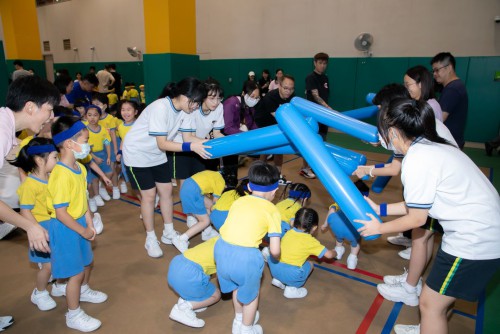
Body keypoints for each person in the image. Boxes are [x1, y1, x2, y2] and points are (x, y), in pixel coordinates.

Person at [355, 98, 500, 334]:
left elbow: (417, 219)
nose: (380, 138)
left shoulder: (417, 160)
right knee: (441, 300)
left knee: (429, 304)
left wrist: (378, 228)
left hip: (475, 240)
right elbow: (418, 205)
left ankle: (431, 325)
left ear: (392, 132)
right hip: (484, 230)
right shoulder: (430, 145)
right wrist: (379, 210)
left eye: (381, 131)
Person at [122, 77, 210, 258]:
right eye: (195, 102)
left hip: (156, 155)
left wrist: (211, 143)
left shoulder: (186, 111)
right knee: (149, 196)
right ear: (184, 96)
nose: (195, 107)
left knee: (167, 190)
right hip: (137, 154)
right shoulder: (160, 107)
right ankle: (151, 238)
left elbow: (187, 139)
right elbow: (163, 143)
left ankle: (168, 231)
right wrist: (191, 147)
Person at [49, 116, 108, 332]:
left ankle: (83, 290)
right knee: (75, 273)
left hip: (81, 222)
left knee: (86, 263)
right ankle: (73, 314)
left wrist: (90, 222)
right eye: (85, 140)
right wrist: (83, 230)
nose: (88, 145)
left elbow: (83, 200)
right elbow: (61, 213)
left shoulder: (80, 169)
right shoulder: (60, 175)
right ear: (68, 143)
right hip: (66, 228)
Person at [214, 161, 281, 334]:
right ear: (275, 190)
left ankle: (238, 319)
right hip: (246, 258)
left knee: (236, 286)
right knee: (251, 297)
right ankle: (246, 328)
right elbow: (274, 250)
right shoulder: (272, 210)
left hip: (221, 249)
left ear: (249, 187)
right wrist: (276, 256)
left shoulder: (239, 202)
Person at [0, 75, 58, 253]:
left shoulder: (7, 125)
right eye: (49, 109)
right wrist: (29, 226)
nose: (51, 116)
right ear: (30, 107)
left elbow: (21, 150)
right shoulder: (1, 133)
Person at [10, 137, 59, 311]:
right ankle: (39, 292)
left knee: (58, 260)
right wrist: (36, 230)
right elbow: (25, 211)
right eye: (54, 157)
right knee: (48, 266)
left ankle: (58, 284)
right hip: (40, 229)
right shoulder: (30, 185)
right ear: (39, 160)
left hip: (55, 225)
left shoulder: (52, 177)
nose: (57, 160)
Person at [265, 208, 336, 299]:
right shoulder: (310, 241)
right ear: (314, 228)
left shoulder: (288, 232)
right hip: (291, 274)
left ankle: (279, 280)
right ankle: (291, 288)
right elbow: (329, 255)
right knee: (310, 264)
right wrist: (335, 252)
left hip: (274, 268)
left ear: (294, 221)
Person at [169, 78, 225, 185]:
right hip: (182, 147)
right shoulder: (192, 108)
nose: (216, 102)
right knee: (185, 183)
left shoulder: (219, 107)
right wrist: (208, 142)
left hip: (200, 146)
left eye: (219, 98)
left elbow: (217, 133)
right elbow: (189, 137)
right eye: (212, 98)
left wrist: (230, 143)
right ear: (203, 97)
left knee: (199, 183)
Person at [167, 237, 221, 328]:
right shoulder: (229, 252)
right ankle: (184, 308)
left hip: (176, 263)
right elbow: (224, 280)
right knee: (216, 295)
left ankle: (188, 298)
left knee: (204, 276)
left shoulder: (218, 238)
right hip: (189, 276)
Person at [254, 74, 296, 182]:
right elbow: (279, 117)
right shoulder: (270, 97)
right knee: (266, 148)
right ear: (280, 86)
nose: (288, 91)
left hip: (276, 122)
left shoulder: (291, 97)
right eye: (285, 88)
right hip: (263, 121)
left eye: (291, 89)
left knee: (279, 148)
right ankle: (259, 175)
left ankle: (277, 175)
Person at [172, 170, 225, 253]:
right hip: (193, 192)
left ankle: (207, 232)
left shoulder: (215, 174)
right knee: (205, 221)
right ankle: (181, 239)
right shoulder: (221, 183)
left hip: (188, 186)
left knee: (209, 204)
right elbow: (215, 205)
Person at [221, 81, 260, 187]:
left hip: (234, 138)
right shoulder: (231, 103)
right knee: (229, 168)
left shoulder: (248, 106)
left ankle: (231, 184)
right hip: (224, 138)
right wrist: (246, 136)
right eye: (252, 96)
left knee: (233, 168)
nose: (254, 99)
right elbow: (227, 128)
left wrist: (259, 135)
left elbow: (251, 123)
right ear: (243, 93)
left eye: (257, 97)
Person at [431, 52, 468, 149]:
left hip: (449, 143)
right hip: (453, 141)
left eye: (437, 70)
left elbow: (439, 119)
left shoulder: (452, 89)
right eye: (433, 71)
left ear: (449, 68)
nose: (434, 74)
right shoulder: (456, 86)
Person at [83, 105, 112, 212]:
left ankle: (101, 189)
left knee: (109, 173)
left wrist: (108, 156)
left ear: (99, 116)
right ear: (86, 116)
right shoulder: (85, 130)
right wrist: (94, 157)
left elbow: (107, 142)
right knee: (93, 179)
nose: (92, 118)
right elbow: (86, 146)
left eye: (95, 115)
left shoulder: (103, 129)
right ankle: (93, 198)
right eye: (89, 115)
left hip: (102, 154)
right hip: (89, 156)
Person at [92, 93, 120, 200]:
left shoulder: (110, 118)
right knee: (101, 170)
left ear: (104, 106)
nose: (95, 106)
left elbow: (113, 134)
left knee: (111, 169)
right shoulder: (94, 119)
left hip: (111, 146)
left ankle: (115, 188)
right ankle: (102, 188)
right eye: (93, 104)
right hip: (100, 147)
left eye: (97, 104)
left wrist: (116, 149)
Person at [321, 202, 360, 270]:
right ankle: (352, 259)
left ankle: (338, 251)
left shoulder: (339, 201)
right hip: (351, 232)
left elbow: (331, 210)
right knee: (355, 242)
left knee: (339, 236)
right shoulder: (359, 206)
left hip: (336, 227)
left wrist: (325, 225)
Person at [115, 100, 140, 195]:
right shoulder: (120, 126)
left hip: (139, 157)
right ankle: (143, 201)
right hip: (127, 158)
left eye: (129, 109)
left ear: (135, 112)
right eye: (123, 110)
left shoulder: (139, 125)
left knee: (142, 180)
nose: (125, 112)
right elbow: (123, 140)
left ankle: (150, 198)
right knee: (133, 182)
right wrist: (120, 152)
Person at [305, 52, 332, 140]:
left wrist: (326, 109)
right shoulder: (311, 77)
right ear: (315, 63)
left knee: (323, 138)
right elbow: (316, 96)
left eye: (325, 63)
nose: (323, 66)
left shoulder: (325, 78)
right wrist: (328, 107)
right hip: (314, 113)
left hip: (324, 114)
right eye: (320, 63)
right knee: (313, 138)